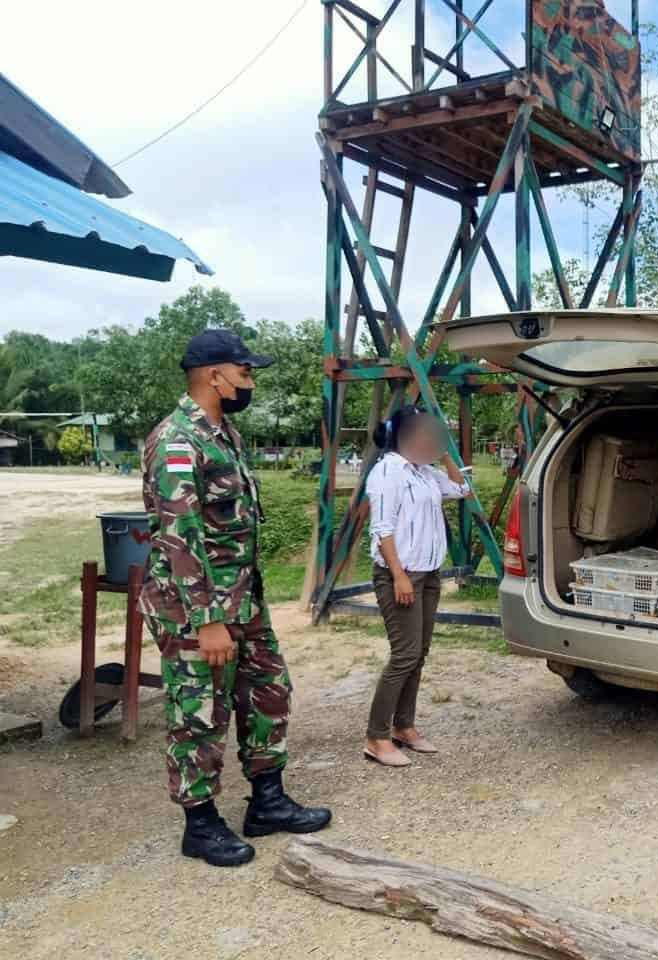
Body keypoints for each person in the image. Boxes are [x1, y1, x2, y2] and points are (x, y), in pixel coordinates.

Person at [140, 329, 331, 868]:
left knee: (269, 690)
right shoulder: (179, 440)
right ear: (213, 375)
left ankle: (267, 802)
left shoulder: (225, 434)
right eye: (244, 372)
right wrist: (206, 621)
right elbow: (181, 537)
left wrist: (239, 608)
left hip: (242, 600)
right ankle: (199, 825)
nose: (249, 381)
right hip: (195, 609)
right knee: (199, 710)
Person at [363, 406, 470, 767]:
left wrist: (443, 454)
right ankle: (376, 737)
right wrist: (398, 576)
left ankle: (404, 726)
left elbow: (462, 489)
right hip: (401, 575)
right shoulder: (387, 472)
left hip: (428, 574)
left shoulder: (425, 472)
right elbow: (382, 528)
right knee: (404, 654)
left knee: (418, 653)